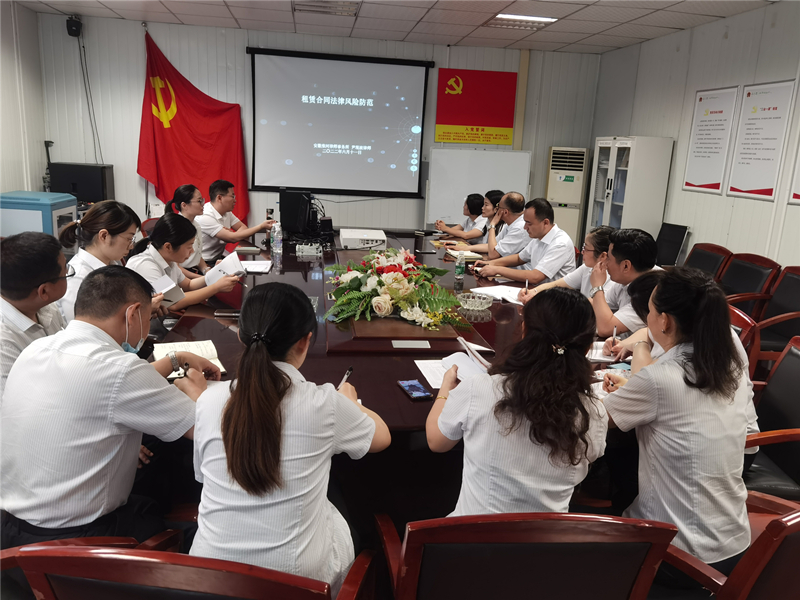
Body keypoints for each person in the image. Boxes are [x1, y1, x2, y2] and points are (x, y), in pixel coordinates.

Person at [190, 282, 390, 595]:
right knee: (337, 500)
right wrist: (350, 402)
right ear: (305, 341)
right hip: (298, 584)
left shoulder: (209, 400)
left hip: (207, 580)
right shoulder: (324, 404)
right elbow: (381, 438)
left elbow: (204, 477)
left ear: (241, 335)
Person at [1, 266, 217, 548]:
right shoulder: (120, 369)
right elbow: (205, 428)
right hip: (78, 540)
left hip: (13, 527)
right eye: (147, 318)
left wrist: (176, 358)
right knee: (197, 525)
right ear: (132, 314)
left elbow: (107, 386)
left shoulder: (36, 349)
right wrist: (199, 393)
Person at [602, 268, 751, 588]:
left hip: (678, 554)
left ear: (665, 321)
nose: (646, 320)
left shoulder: (660, 378)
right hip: (735, 543)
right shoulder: (729, 363)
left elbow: (595, 421)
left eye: (649, 311)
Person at [426, 287, 608, 516]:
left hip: (473, 536)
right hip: (549, 538)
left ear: (524, 331)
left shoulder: (480, 388)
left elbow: (437, 442)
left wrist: (445, 391)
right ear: (588, 347)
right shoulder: (593, 411)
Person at [58, 200, 163, 322]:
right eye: (129, 239)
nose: (131, 246)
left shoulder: (112, 265)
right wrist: (143, 311)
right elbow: (85, 327)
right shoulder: (78, 278)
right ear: (104, 236)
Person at [126, 212, 239, 311]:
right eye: (189, 246)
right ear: (168, 247)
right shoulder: (147, 266)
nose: (192, 251)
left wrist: (216, 272)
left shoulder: (168, 260)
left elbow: (189, 285)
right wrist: (216, 287)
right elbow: (174, 302)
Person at [0, 233, 67, 397]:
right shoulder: (4, 345)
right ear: (44, 291)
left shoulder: (45, 307)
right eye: (66, 273)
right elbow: (13, 403)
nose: (67, 272)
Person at [472, 198, 576, 284]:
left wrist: (497, 269)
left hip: (555, 297)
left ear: (545, 223)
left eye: (529, 223)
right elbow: (519, 258)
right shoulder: (539, 237)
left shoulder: (560, 243)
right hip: (536, 290)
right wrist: (490, 263)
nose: (525, 227)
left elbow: (536, 276)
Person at [588, 228, 660, 337]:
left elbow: (605, 328)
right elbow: (595, 304)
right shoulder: (628, 278)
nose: (605, 263)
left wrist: (597, 287)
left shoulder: (652, 292)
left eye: (609, 258)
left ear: (626, 266)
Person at [518, 226, 617, 304]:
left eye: (586, 248)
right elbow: (556, 284)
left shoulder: (614, 280)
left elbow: (590, 306)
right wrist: (533, 292)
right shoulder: (587, 268)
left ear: (602, 256)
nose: (582, 252)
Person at [195, 179, 276, 264]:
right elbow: (233, 238)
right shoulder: (205, 216)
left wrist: (233, 235)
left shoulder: (226, 212)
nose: (235, 200)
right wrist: (261, 226)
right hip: (204, 262)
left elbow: (243, 228)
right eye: (232, 196)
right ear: (219, 198)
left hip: (218, 258)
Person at [165, 184, 212, 278]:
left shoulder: (196, 225)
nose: (203, 204)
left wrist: (207, 270)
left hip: (194, 272)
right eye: (199, 201)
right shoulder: (176, 227)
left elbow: (196, 255)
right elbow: (175, 267)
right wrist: (203, 279)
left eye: (202, 200)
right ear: (184, 205)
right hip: (180, 276)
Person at [466, 192, 529, 258]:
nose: (497, 209)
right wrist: (467, 248)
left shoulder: (519, 228)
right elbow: (492, 246)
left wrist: (492, 225)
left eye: (498, 206)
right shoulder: (511, 224)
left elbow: (493, 254)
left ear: (505, 212)